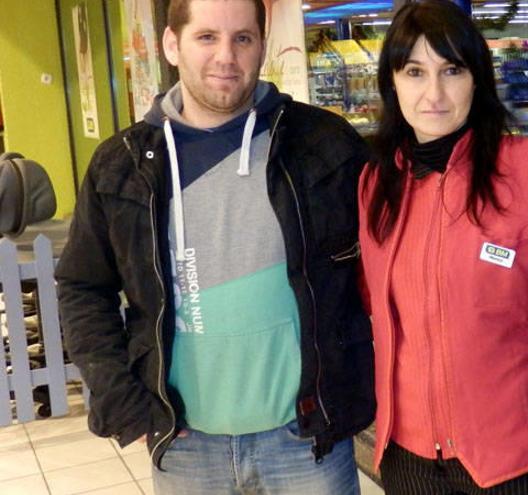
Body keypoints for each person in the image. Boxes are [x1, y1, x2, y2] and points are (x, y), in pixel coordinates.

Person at [56, 0, 374, 493]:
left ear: (262, 46)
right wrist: (124, 402)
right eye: (207, 37)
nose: (226, 56)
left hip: (306, 441)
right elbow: (82, 287)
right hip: (187, 448)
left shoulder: (323, 143)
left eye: (242, 38)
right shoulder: (122, 166)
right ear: (171, 44)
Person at [358, 1, 528, 493]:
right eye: (415, 72)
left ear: (477, 79)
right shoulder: (376, 183)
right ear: (392, 82)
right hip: (407, 459)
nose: (433, 93)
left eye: (451, 70)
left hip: (512, 460)